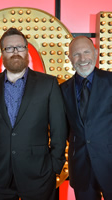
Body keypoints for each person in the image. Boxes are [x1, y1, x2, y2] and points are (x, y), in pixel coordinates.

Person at [0, 27, 68, 200]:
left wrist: (55, 165)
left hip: (39, 174)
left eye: (20, 47)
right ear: (2, 52)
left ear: (27, 50)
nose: (15, 52)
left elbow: (59, 128)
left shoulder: (47, 84)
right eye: (9, 48)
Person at [60, 36, 112, 200]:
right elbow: (63, 129)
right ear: (69, 58)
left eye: (86, 52)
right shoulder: (62, 90)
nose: (82, 59)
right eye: (76, 54)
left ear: (95, 53)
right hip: (81, 167)